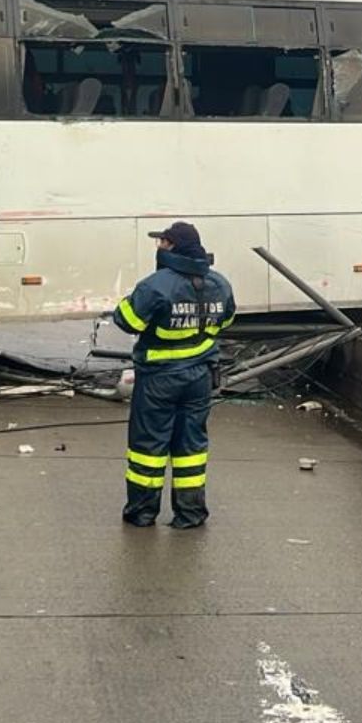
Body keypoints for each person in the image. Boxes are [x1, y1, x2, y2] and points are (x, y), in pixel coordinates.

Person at [110, 222, 236, 529]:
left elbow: (127, 321)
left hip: (159, 378)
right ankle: (190, 514)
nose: (158, 247)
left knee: (148, 447)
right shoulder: (219, 283)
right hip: (200, 376)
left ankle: (142, 513)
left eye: (162, 242)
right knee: (191, 447)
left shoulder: (156, 285)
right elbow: (226, 319)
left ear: (171, 246)